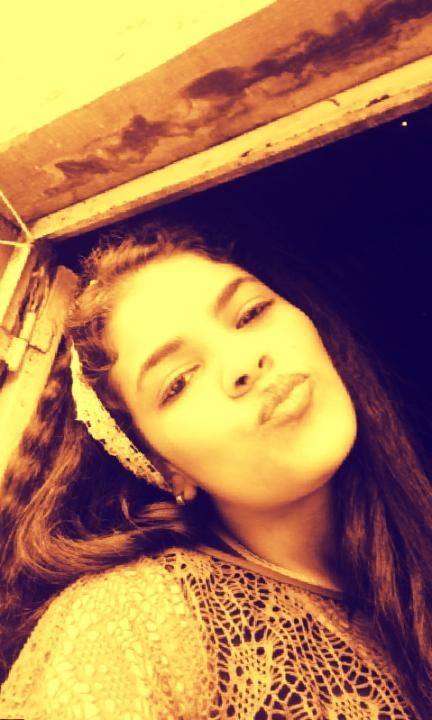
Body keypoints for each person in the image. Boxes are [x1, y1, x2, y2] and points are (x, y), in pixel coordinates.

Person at [0, 220, 431, 719]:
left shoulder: (404, 551)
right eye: (179, 381)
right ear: (163, 467)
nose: (243, 363)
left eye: (250, 313)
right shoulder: (132, 621)